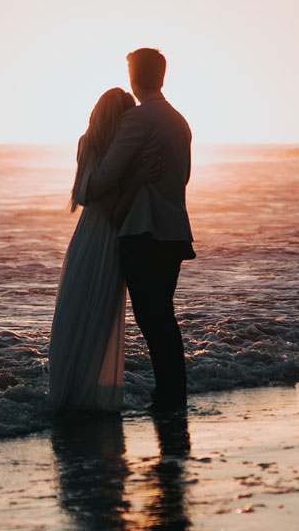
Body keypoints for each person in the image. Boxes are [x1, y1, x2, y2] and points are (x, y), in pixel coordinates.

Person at [84, 48, 195, 411]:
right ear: (162, 77)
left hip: (143, 234)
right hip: (175, 232)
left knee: (153, 320)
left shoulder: (139, 120)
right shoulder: (180, 121)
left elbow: (101, 180)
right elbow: (185, 178)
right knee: (163, 316)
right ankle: (171, 394)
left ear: (134, 77)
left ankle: (168, 398)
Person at [49, 87, 159, 412]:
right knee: (98, 318)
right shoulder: (120, 154)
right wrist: (138, 179)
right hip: (109, 239)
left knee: (74, 311)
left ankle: (67, 391)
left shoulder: (86, 143)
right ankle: (87, 395)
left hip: (85, 236)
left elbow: (84, 197)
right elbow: (114, 212)